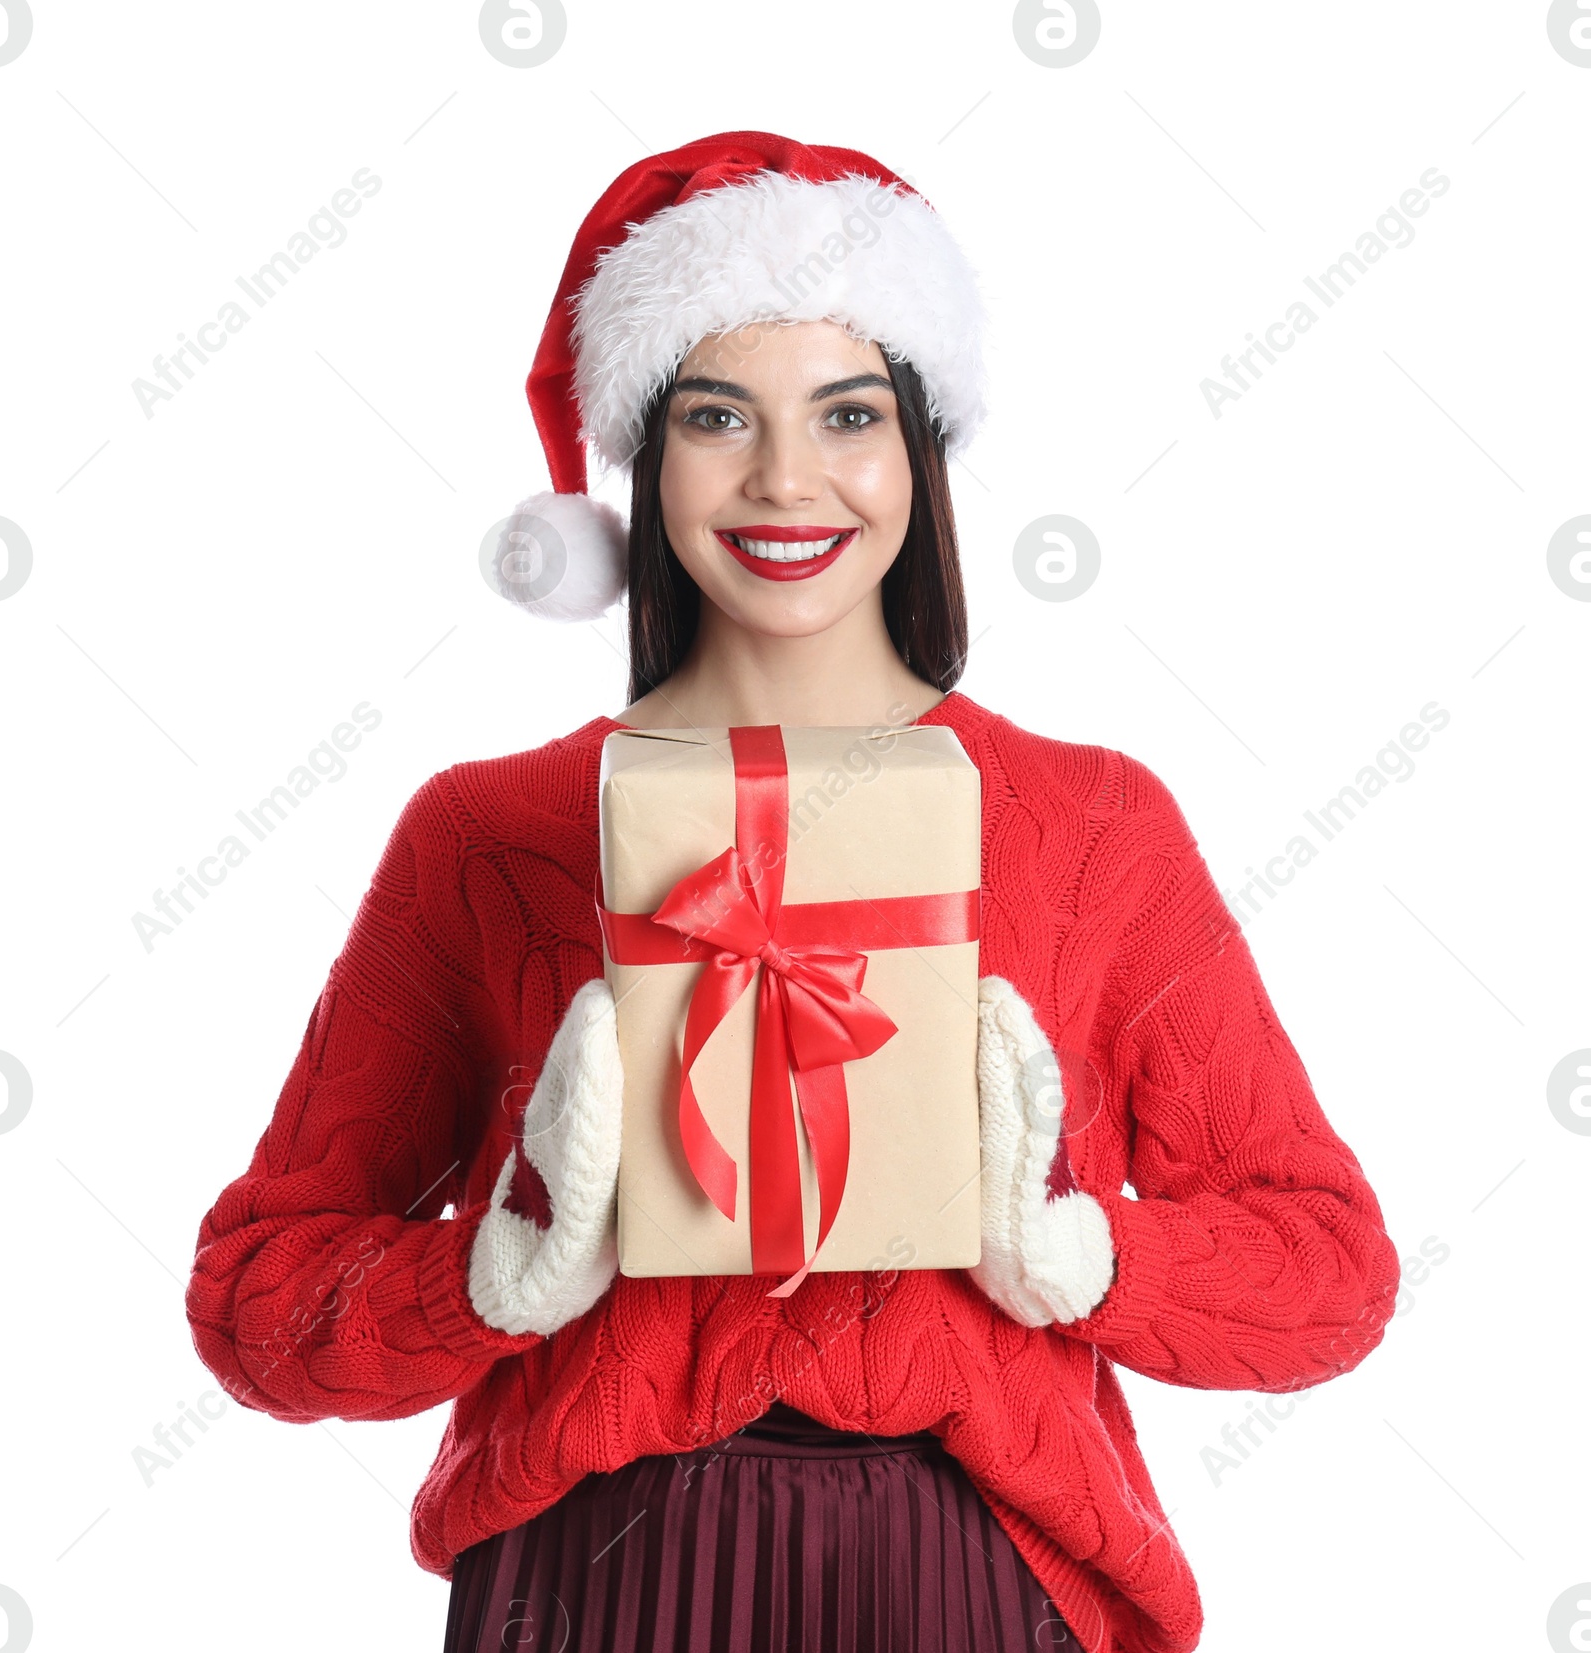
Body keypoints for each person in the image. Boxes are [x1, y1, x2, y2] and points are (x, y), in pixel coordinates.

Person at [186, 132, 1400, 1653]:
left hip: (974, 1563)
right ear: (642, 452)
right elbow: (258, 1303)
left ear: (919, 450)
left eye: (848, 412)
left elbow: (1332, 1274)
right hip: (599, 1572)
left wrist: (1082, 1253)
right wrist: (492, 1270)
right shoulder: (493, 832)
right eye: (716, 416)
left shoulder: (1094, 823)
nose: (784, 478)